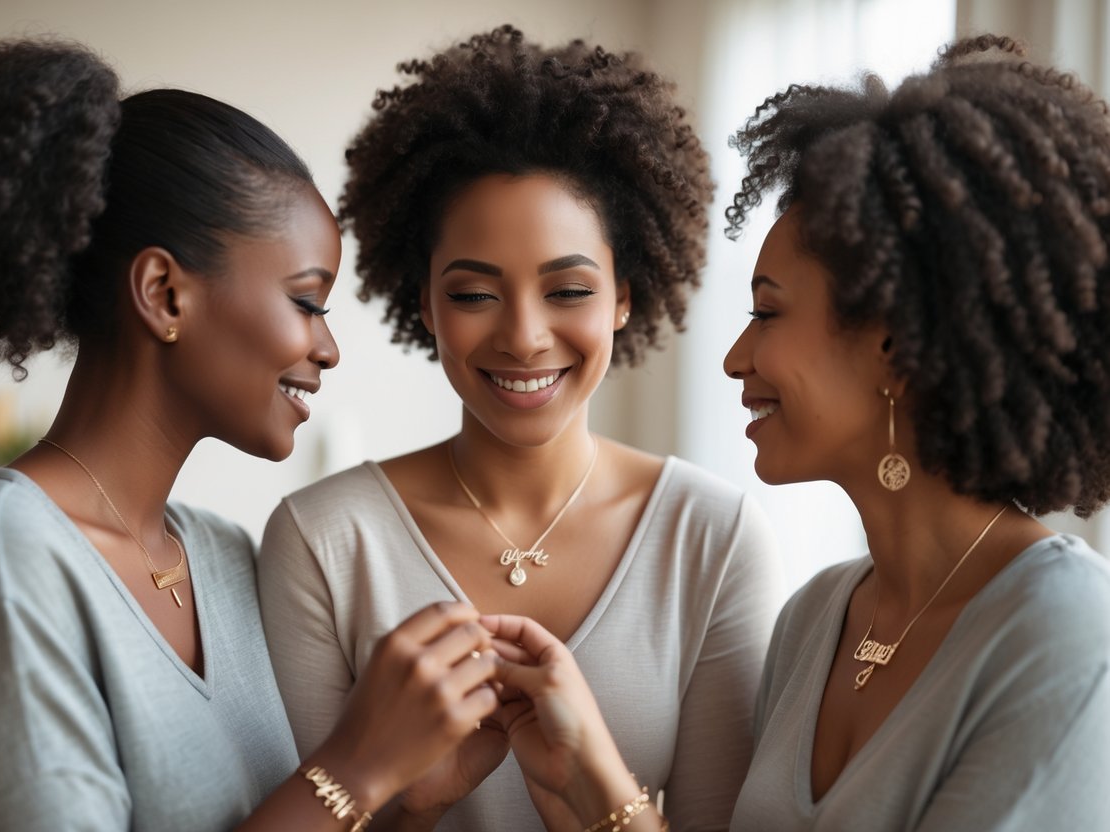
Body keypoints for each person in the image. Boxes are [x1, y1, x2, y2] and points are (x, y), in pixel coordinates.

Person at [455, 33, 1110, 832]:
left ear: (896, 345)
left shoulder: (1068, 637)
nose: (735, 358)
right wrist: (593, 782)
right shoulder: (814, 621)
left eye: (767, 312)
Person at [0, 39, 503, 831]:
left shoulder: (223, 560)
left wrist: (404, 802)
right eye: (307, 302)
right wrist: (356, 765)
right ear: (164, 294)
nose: (328, 348)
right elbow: (327, 789)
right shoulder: (2, 550)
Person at [256, 25, 784, 831]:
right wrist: (417, 806)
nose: (523, 337)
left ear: (623, 298)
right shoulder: (324, 540)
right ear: (423, 304)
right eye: (473, 295)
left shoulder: (710, 536)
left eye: (568, 291)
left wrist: (600, 785)